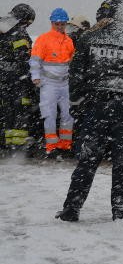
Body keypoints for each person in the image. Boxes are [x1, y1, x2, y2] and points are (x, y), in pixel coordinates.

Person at [55, 1, 123, 221]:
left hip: (95, 106)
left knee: (87, 160)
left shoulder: (89, 39)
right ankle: (120, 208)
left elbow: (76, 75)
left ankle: (72, 208)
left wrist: (77, 104)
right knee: (121, 161)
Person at [30, 8, 75, 155]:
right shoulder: (43, 39)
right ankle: (51, 147)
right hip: (48, 83)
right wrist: (36, 77)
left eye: (63, 24)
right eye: (57, 24)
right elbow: (35, 60)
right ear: (52, 23)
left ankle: (65, 145)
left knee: (68, 114)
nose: (60, 27)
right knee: (49, 114)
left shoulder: (69, 41)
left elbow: (72, 62)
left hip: (65, 83)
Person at [0, 3, 36, 153]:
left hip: (3, 80)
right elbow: (24, 59)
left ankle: (3, 143)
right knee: (18, 112)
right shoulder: (20, 34)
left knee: (4, 111)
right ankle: (16, 147)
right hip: (15, 81)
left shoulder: (3, 26)